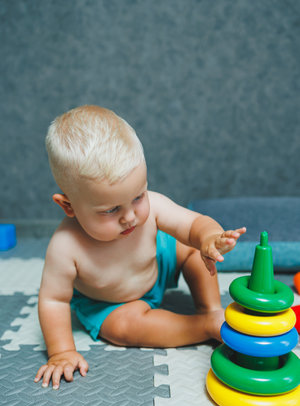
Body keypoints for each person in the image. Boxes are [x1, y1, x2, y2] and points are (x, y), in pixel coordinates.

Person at [34, 105, 246, 390]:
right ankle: (206, 325)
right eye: (110, 210)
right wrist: (61, 352)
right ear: (68, 206)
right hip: (113, 304)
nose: (130, 216)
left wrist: (209, 237)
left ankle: (211, 307)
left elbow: (192, 224)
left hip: (158, 265)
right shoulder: (65, 247)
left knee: (193, 248)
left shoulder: (154, 206)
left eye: (138, 196)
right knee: (122, 329)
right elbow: (53, 300)